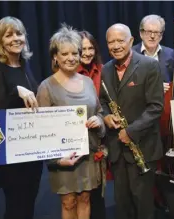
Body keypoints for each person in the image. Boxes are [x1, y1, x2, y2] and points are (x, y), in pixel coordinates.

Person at [36, 24, 106, 219]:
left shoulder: (87, 82)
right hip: (63, 158)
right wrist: (57, 160)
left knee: (85, 199)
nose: (71, 58)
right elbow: (40, 130)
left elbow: (99, 111)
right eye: (64, 53)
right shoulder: (46, 87)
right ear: (55, 57)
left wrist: (98, 121)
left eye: (75, 53)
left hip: (88, 155)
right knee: (69, 202)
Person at [100, 23, 164, 219]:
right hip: (117, 150)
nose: (116, 45)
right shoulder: (106, 69)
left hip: (142, 148)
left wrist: (131, 131)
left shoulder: (149, 65)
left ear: (131, 41)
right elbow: (103, 100)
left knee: (142, 206)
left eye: (121, 40)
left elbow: (156, 107)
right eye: (111, 42)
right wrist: (106, 116)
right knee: (123, 205)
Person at [0, 16, 43, 219]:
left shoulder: (24, 65)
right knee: (15, 209)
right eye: (9, 35)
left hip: (32, 150)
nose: (15, 39)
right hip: (12, 155)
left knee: (28, 206)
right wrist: (16, 90)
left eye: (19, 33)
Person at [78, 30, 107, 219]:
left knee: (99, 192)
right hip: (78, 140)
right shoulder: (67, 73)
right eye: (82, 49)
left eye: (90, 48)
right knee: (80, 195)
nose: (87, 53)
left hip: (101, 138)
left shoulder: (103, 70)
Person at [132, 14, 174, 94]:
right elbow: (128, 86)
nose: (152, 36)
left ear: (161, 36)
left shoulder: (171, 54)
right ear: (141, 34)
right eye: (149, 32)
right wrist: (154, 88)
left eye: (156, 32)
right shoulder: (131, 54)